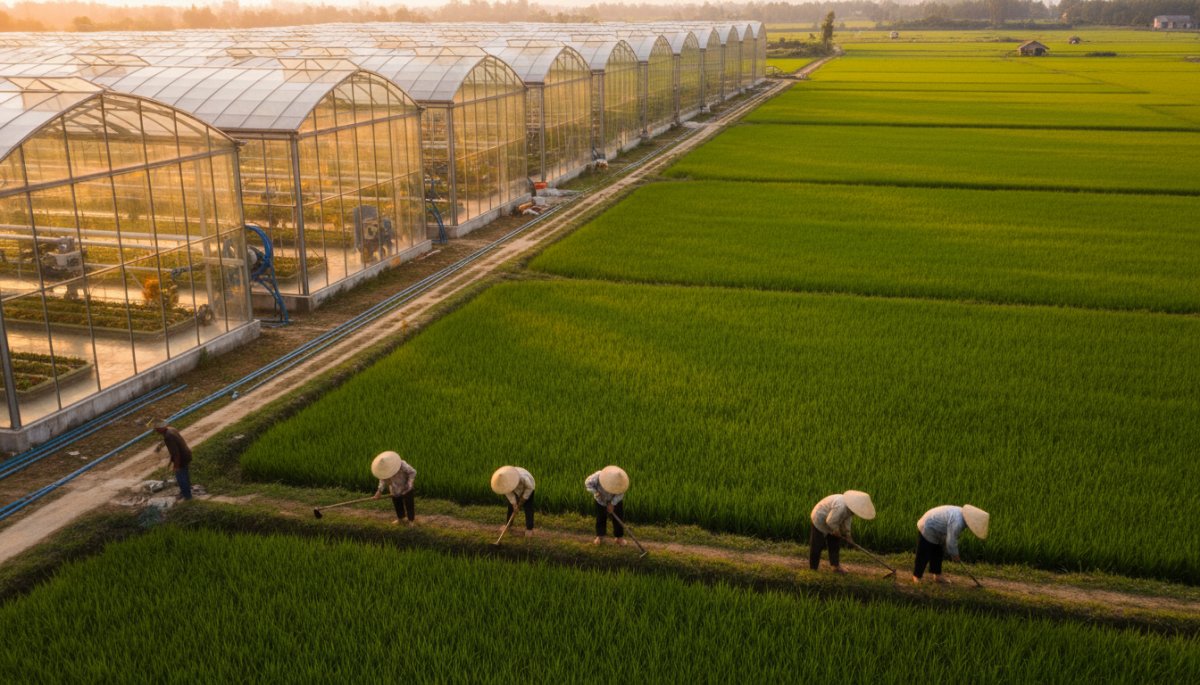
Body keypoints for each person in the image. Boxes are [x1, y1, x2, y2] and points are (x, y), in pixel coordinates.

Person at [913, 504, 989, 584]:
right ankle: (916, 576)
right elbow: (951, 540)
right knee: (924, 553)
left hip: (938, 529)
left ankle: (937, 575)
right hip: (928, 525)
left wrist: (953, 553)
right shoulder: (958, 522)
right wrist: (955, 554)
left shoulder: (962, 516)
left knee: (938, 552)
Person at [809, 490, 876, 573]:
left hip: (832, 520)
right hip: (819, 517)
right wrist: (836, 530)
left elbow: (847, 522)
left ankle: (835, 566)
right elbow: (830, 521)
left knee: (835, 543)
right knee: (817, 544)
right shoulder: (841, 506)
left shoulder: (850, 509)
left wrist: (848, 535)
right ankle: (813, 569)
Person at [585, 465, 629, 545]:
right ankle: (600, 536)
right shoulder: (598, 476)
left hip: (616, 501)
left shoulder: (621, 481)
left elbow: (620, 494)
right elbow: (588, 483)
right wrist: (596, 492)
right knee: (601, 517)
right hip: (601, 500)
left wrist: (612, 504)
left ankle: (619, 538)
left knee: (618, 518)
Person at [151, 418, 192, 500]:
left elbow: (176, 454)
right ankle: (185, 491)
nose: (156, 431)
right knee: (184, 475)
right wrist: (160, 446)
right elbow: (166, 440)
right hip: (186, 454)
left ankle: (187, 496)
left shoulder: (168, 436)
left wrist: (176, 466)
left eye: (157, 429)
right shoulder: (171, 429)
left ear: (160, 428)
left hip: (181, 458)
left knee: (181, 477)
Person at [371, 451, 416, 525]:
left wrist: (409, 484)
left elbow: (412, 472)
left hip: (406, 487)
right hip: (394, 488)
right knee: (397, 503)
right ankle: (401, 518)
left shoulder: (402, 464)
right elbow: (382, 480)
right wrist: (379, 491)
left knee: (409, 504)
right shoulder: (384, 470)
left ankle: (411, 521)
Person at [491, 465, 536, 537]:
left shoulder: (523, 478)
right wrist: (514, 504)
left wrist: (523, 499)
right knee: (510, 507)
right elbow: (509, 493)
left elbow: (529, 488)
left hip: (528, 487)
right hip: (516, 489)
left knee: (528, 507)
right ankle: (508, 525)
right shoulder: (504, 483)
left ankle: (529, 528)